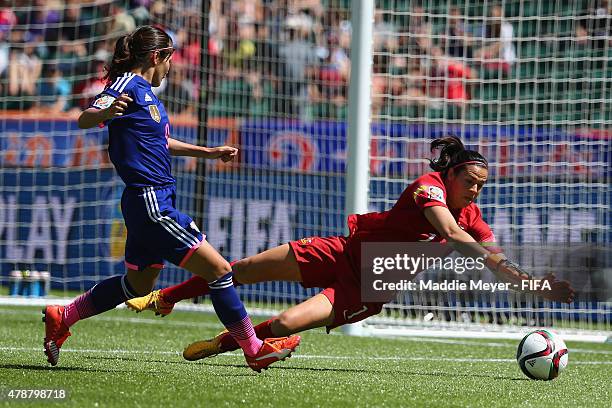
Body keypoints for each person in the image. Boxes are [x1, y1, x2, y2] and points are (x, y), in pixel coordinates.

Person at [126, 136, 575, 361]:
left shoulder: (472, 217)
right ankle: (165, 296)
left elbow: (497, 262)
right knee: (241, 268)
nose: (476, 193)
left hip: (367, 287)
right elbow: (454, 236)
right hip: (341, 251)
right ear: (452, 174)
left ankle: (226, 342)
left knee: (284, 321)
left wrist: (537, 283)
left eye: (481, 187)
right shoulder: (428, 188)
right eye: (471, 183)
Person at [42, 25, 300, 372]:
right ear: (155, 57)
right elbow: (85, 118)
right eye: (169, 60)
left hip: (148, 201)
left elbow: (159, 143)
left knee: (138, 284)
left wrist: (207, 152)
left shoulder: (147, 94)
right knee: (220, 270)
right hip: (151, 202)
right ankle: (254, 349)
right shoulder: (125, 85)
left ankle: (65, 315)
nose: (170, 68)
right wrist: (103, 113)